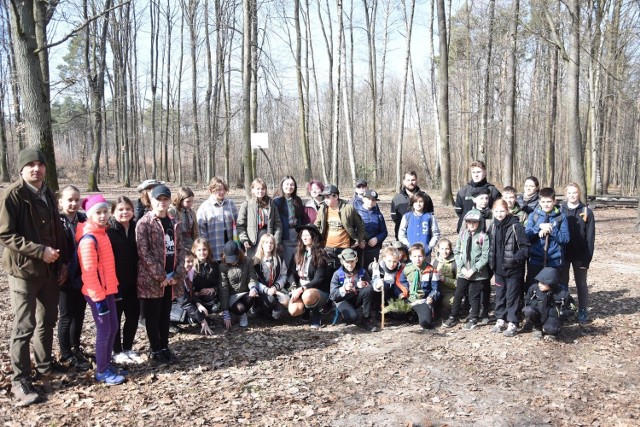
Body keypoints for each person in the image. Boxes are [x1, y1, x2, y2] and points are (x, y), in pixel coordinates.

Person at [0, 148, 69, 406]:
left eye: (40, 164)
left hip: (50, 271)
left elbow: (57, 229)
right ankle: (20, 379)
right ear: (21, 169)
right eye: (30, 164)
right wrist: (40, 251)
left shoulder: (48, 193)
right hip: (24, 271)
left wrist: (62, 262)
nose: (36, 169)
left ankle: (44, 366)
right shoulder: (13, 195)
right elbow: (5, 235)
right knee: (24, 325)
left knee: (47, 319)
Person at [77, 195, 126, 385]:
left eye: (105, 212)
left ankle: (107, 363)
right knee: (104, 330)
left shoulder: (103, 234)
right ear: (90, 215)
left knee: (113, 327)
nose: (103, 216)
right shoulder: (89, 239)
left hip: (108, 291)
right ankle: (102, 370)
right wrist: (99, 301)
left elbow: (107, 267)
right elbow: (89, 274)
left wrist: (114, 289)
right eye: (98, 212)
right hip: (97, 294)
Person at [136, 184, 185, 365]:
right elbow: (144, 252)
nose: (162, 203)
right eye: (159, 199)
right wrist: (160, 276)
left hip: (171, 278)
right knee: (153, 315)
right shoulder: (145, 223)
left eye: (165, 199)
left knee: (165, 314)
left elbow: (180, 249)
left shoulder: (173, 222)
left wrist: (177, 274)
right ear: (152, 200)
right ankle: (155, 348)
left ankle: (165, 346)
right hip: (153, 280)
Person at [56, 185, 91, 372]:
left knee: (79, 313)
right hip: (64, 276)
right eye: (69, 200)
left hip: (82, 274)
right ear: (60, 201)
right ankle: (65, 353)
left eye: (77, 200)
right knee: (67, 315)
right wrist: (63, 266)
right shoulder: (56, 221)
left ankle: (75, 348)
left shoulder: (84, 219)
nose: (73, 203)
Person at [107, 196, 143, 365]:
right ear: (113, 212)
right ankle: (116, 350)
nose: (124, 212)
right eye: (120, 209)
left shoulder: (136, 228)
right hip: (115, 284)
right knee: (116, 318)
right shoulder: (109, 231)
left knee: (133, 316)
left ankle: (128, 347)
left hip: (134, 282)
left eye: (128, 209)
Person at [487, 200, 530, 337]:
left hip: (513, 270)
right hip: (498, 269)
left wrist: (516, 259)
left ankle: (513, 322)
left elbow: (525, 247)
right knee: (500, 295)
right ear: (493, 212)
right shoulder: (493, 226)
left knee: (512, 297)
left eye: (502, 211)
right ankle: (500, 319)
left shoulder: (516, 226)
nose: (499, 214)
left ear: (507, 211)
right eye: (496, 211)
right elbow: (489, 244)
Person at [443, 210, 490, 330]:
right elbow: (457, 252)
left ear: (479, 223)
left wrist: (473, 269)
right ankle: (453, 316)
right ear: (466, 223)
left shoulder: (483, 237)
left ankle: (473, 318)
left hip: (478, 274)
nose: (472, 224)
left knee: (474, 296)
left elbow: (485, 257)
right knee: (458, 294)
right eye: (469, 222)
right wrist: (462, 268)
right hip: (463, 273)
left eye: (475, 222)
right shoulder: (462, 234)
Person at [560, 183, 595, 323]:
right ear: (565, 194)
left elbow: (590, 237)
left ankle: (582, 310)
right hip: (563, 253)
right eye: (570, 193)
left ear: (579, 194)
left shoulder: (587, 211)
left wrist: (587, 259)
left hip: (580, 255)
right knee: (563, 282)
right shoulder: (560, 210)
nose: (572, 195)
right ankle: (564, 307)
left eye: (575, 192)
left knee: (581, 283)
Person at [288, 224, 332, 328]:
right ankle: (307, 309)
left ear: (313, 236)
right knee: (294, 311)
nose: (304, 237)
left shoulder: (321, 254)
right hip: (300, 287)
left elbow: (319, 279)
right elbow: (291, 272)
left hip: (317, 290)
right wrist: (294, 286)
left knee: (307, 295)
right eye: (302, 235)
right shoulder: (297, 252)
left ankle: (317, 316)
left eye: (307, 235)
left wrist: (302, 289)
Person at [525, 187, 569, 286]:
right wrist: (538, 227)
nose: (546, 204)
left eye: (549, 201)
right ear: (539, 202)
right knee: (533, 287)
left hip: (554, 260)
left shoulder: (561, 217)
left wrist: (551, 229)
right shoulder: (533, 216)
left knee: (554, 287)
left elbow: (565, 239)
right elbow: (527, 236)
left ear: (554, 201)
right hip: (535, 259)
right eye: (543, 201)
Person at [329, 248, 378, 332]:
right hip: (342, 300)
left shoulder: (362, 272)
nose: (350, 265)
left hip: (356, 297)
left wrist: (365, 284)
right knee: (352, 317)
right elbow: (333, 296)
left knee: (368, 289)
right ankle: (347, 316)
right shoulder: (337, 274)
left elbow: (370, 286)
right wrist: (344, 288)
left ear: (356, 260)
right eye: (347, 262)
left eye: (352, 261)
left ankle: (366, 319)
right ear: (342, 262)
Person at [314, 184, 365, 264]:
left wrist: (358, 240)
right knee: (328, 274)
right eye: (324, 197)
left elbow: (360, 225)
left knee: (344, 273)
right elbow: (317, 225)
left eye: (327, 197)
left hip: (344, 248)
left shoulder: (348, 208)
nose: (325, 200)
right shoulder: (323, 208)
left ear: (336, 196)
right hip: (327, 248)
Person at [397, 243, 440, 330]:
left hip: (423, 300)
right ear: (410, 257)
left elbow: (436, 289)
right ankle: (413, 314)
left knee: (426, 323)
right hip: (410, 298)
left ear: (424, 256)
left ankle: (422, 313)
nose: (417, 259)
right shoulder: (407, 269)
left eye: (420, 256)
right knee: (394, 313)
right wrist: (405, 290)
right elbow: (401, 281)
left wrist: (431, 297)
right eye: (415, 256)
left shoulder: (431, 270)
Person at [237, 178, 283, 259]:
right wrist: (244, 240)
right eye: (258, 189)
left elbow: (278, 225)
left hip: (268, 240)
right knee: (254, 264)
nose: (260, 191)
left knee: (267, 263)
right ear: (253, 190)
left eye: (263, 188)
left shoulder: (271, 205)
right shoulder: (246, 205)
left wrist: (275, 241)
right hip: (253, 241)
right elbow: (240, 226)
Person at [197, 177, 239, 261]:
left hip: (229, 245)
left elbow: (237, 224)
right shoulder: (204, 207)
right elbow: (201, 231)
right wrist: (205, 248)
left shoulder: (230, 204)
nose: (222, 192)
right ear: (212, 190)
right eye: (219, 190)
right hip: (214, 246)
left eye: (224, 189)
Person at [523, 267, 571, 340]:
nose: (539, 284)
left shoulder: (562, 294)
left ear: (551, 283)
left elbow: (571, 309)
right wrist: (538, 303)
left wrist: (561, 313)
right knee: (528, 310)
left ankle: (550, 332)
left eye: (542, 283)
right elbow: (526, 300)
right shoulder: (534, 289)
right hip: (538, 314)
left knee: (551, 329)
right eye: (539, 282)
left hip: (552, 317)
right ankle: (537, 328)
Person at [171, 253, 214, 335]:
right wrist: (202, 320)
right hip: (172, 306)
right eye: (187, 261)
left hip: (181, 303)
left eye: (192, 261)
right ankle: (169, 323)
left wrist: (198, 304)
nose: (190, 264)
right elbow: (185, 302)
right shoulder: (176, 277)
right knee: (194, 317)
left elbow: (190, 293)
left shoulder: (189, 274)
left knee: (201, 310)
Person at [249, 233, 290, 320]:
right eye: (266, 242)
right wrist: (267, 290)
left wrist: (276, 286)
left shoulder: (278, 259)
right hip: (262, 291)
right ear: (262, 245)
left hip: (275, 289)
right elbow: (254, 280)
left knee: (278, 315)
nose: (269, 245)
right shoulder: (255, 261)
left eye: (271, 243)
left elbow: (284, 275)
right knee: (270, 300)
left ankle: (272, 312)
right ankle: (259, 310)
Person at [454, 160, 501, 233]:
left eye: (479, 172)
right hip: (466, 230)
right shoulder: (463, 191)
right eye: (473, 172)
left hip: (488, 230)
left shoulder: (493, 191)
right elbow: (459, 211)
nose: (476, 175)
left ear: (485, 173)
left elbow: (499, 211)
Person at [219, 241, 255, 328]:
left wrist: (253, 287)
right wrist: (225, 312)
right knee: (240, 308)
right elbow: (224, 288)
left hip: (245, 292)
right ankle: (237, 313)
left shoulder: (248, 261)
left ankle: (244, 314)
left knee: (252, 297)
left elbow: (252, 277)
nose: (232, 262)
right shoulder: (223, 266)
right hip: (232, 296)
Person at [398, 191, 441, 260]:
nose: (418, 204)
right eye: (416, 202)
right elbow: (401, 234)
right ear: (412, 203)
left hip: (425, 254)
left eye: (421, 201)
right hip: (410, 253)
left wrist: (429, 246)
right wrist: (408, 245)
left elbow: (436, 233)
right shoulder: (407, 217)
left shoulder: (430, 217)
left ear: (424, 203)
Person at [391, 171, 433, 239]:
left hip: (422, 238)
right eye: (408, 180)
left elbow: (431, 218)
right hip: (402, 239)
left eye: (413, 180)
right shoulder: (397, 199)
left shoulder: (426, 197)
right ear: (404, 181)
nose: (411, 182)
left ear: (416, 181)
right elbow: (395, 218)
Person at [273, 175, 304, 267]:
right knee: (285, 260)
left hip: (296, 232)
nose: (289, 187)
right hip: (284, 234)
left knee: (296, 259)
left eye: (292, 185)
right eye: (287, 184)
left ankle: (294, 279)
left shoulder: (297, 200)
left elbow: (300, 218)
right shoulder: (276, 201)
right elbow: (275, 222)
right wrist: (278, 241)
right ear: (282, 185)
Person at [355, 189, 388, 269]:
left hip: (373, 249)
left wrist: (377, 239)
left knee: (371, 271)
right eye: (368, 199)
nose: (371, 202)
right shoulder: (355, 213)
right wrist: (358, 241)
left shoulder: (378, 215)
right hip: (358, 249)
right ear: (363, 199)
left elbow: (384, 232)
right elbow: (351, 230)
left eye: (373, 200)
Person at [191, 238, 222, 317]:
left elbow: (221, 282)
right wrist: (198, 293)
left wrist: (213, 289)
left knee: (215, 307)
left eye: (204, 249)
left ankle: (209, 316)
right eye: (199, 250)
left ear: (208, 250)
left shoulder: (214, 265)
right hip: (195, 298)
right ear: (194, 251)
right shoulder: (190, 266)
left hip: (210, 296)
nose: (202, 252)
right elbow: (187, 289)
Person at [432, 238, 457, 317]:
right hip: (436, 291)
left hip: (450, 292)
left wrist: (445, 279)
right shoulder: (434, 262)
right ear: (438, 249)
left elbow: (459, 283)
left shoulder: (455, 263)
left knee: (449, 302)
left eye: (447, 249)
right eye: (442, 249)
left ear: (450, 249)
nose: (444, 251)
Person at [171, 187, 199, 253]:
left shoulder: (191, 213)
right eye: (188, 201)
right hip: (178, 243)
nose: (190, 203)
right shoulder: (173, 211)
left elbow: (195, 230)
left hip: (189, 241)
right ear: (180, 200)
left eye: (192, 201)